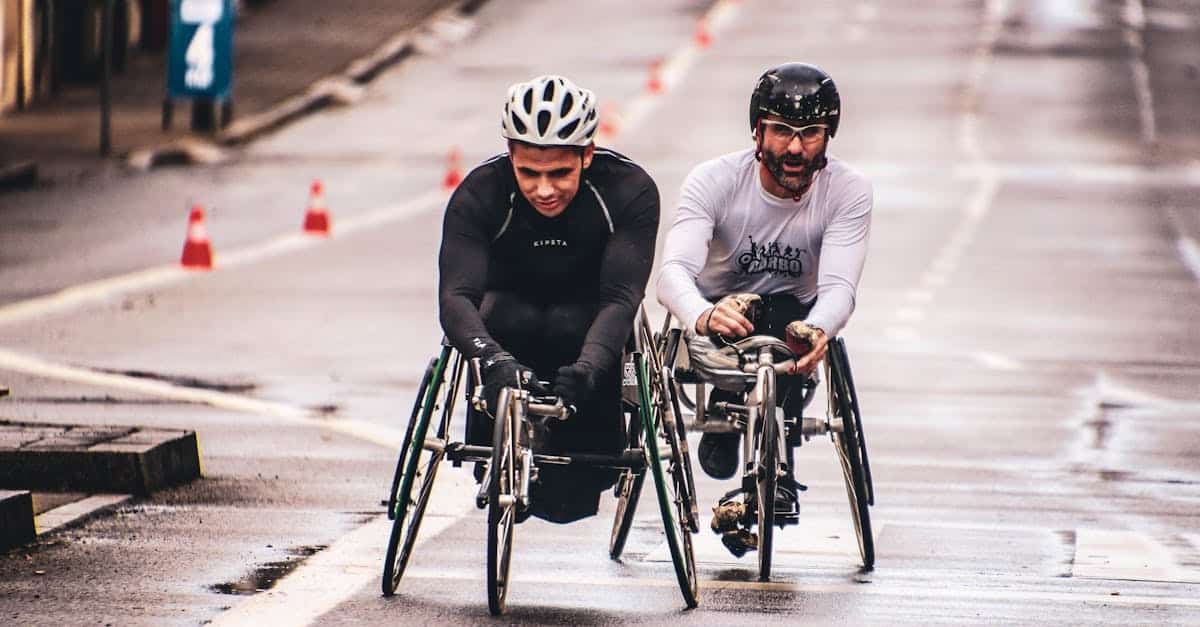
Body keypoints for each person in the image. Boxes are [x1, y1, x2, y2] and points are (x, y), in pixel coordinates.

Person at [657, 62, 872, 555]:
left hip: (791, 319)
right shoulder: (714, 180)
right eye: (781, 132)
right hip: (714, 316)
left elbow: (839, 286)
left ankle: (777, 473)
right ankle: (728, 421)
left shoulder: (848, 191)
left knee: (786, 318)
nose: (795, 149)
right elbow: (671, 275)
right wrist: (703, 315)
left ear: (828, 136)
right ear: (758, 131)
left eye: (810, 134)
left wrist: (819, 329)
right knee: (760, 313)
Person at [438, 75, 660, 524]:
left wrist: (590, 368)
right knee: (501, 314)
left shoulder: (628, 191)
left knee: (568, 505)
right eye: (529, 173)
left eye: (560, 172)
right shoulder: (480, 192)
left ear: (588, 155)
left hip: (588, 324)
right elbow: (456, 296)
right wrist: (491, 359)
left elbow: (622, 297)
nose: (544, 190)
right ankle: (501, 447)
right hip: (509, 319)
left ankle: (575, 456)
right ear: (510, 156)